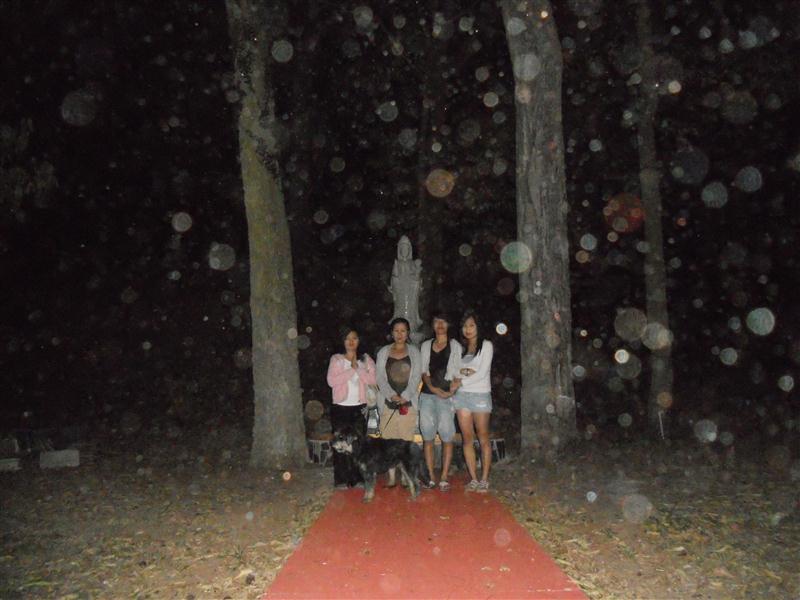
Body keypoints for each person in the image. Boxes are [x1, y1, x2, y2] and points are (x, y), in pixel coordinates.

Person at [326, 327, 377, 489]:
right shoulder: (337, 359)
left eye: (354, 338)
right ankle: (341, 479)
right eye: (347, 338)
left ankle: (358, 478)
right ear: (343, 341)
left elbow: (373, 379)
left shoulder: (366, 359)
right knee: (340, 443)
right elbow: (331, 381)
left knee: (358, 444)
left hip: (359, 408)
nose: (351, 342)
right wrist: (351, 370)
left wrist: (359, 368)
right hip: (340, 408)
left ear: (359, 341)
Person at [375, 317, 422, 484]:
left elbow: (416, 377)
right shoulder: (383, 352)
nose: (399, 334)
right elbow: (380, 377)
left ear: (408, 333)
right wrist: (391, 395)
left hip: (407, 403)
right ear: (391, 333)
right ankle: (392, 477)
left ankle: (405, 476)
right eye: (396, 330)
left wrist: (405, 396)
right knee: (389, 440)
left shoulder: (414, 352)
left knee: (405, 440)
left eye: (403, 330)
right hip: (388, 403)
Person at [419, 313, 462, 491]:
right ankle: (430, 475)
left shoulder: (455, 345)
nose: (440, 325)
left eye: (443, 321)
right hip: (427, 395)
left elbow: (458, 373)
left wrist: (451, 391)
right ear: (433, 325)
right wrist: (433, 388)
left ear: (448, 324)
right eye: (437, 321)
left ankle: (444, 476)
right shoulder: (426, 345)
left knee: (447, 436)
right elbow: (424, 372)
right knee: (427, 436)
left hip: (447, 397)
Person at [453, 311, 494, 493]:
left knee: (483, 436)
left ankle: (484, 479)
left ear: (478, 327)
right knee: (467, 438)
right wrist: (464, 375)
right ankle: (474, 479)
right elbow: (455, 371)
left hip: (480, 395)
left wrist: (463, 379)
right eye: (465, 326)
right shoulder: (459, 348)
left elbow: (482, 373)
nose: (467, 329)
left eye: (471, 325)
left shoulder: (486, 345)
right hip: (461, 396)